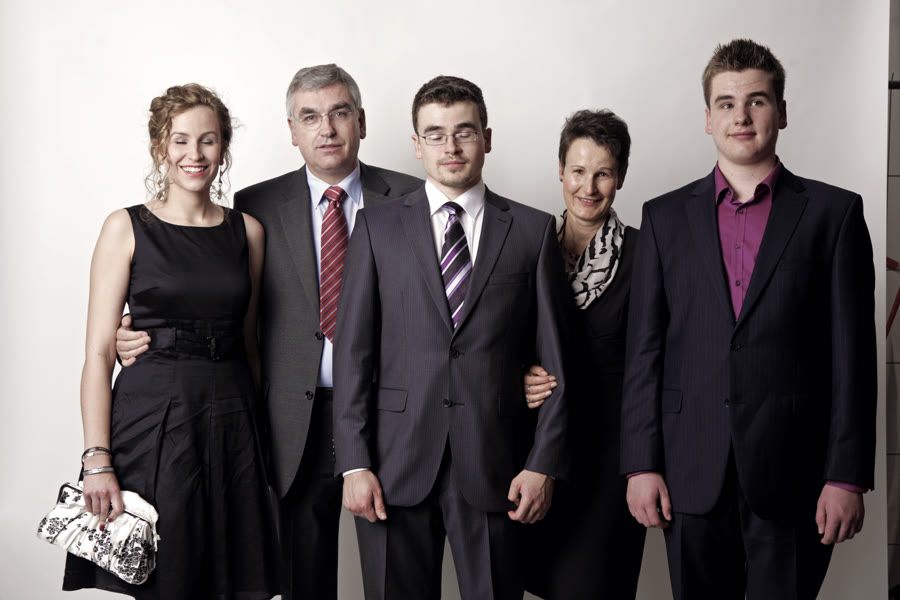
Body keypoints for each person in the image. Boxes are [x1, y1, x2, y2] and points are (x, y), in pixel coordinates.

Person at [115, 64, 421, 599]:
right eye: (310, 117)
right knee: (301, 581)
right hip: (291, 423)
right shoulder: (255, 208)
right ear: (292, 130)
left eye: (339, 113)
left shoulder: (413, 198)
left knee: (397, 581)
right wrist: (142, 329)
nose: (326, 129)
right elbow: (223, 301)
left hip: (389, 415)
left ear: (361, 121)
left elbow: (446, 303)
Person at [621, 39, 876, 600]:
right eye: (727, 103)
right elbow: (645, 352)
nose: (741, 116)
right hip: (688, 470)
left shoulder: (834, 215)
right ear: (707, 118)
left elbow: (854, 357)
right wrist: (640, 464)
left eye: (756, 101)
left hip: (797, 473)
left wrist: (847, 475)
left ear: (781, 112)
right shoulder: (663, 218)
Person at [333, 75, 570, 600]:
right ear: (417, 145)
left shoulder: (532, 231)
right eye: (435, 134)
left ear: (487, 138)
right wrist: (354, 462)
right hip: (393, 465)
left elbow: (556, 362)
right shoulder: (376, 227)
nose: (451, 147)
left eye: (464, 132)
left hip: (497, 464)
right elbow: (353, 356)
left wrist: (543, 464)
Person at [63, 83, 278, 599]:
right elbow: (99, 354)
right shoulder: (125, 226)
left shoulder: (249, 231)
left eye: (208, 140)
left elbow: (249, 342)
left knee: (232, 578)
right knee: (165, 578)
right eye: (180, 140)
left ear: (223, 147)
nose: (194, 154)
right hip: (152, 419)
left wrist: (263, 443)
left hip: (233, 421)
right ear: (161, 147)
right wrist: (97, 459)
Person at [521, 109, 646, 599]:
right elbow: (496, 341)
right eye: (577, 170)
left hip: (608, 464)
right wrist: (518, 376)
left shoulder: (646, 253)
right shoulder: (527, 246)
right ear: (560, 170)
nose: (588, 187)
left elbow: (654, 364)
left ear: (621, 177)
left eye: (603, 173)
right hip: (535, 456)